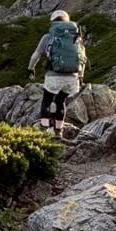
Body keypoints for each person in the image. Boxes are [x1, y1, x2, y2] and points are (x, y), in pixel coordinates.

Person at [27, 9, 86, 137]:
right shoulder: (76, 38)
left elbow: (36, 55)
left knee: (47, 100)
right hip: (72, 76)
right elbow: (82, 58)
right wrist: (80, 76)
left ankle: (44, 129)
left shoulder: (48, 37)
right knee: (61, 102)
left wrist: (31, 68)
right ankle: (59, 131)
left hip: (54, 75)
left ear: (53, 22)